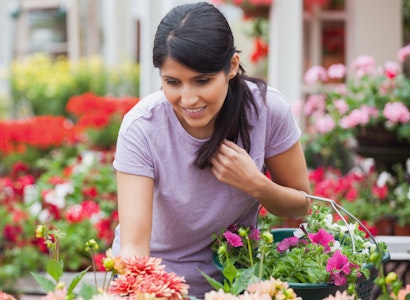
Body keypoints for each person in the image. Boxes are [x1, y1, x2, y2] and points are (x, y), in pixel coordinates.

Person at [112, 1, 311, 298]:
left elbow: (301, 204)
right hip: (158, 286)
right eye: (172, 82)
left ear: (231, 67)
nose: (188, 99)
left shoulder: (267, 111)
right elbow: (134, 246)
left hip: (238, 283)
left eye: (202, 81)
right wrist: (147, 292)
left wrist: (256, 184)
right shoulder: (142, 127)